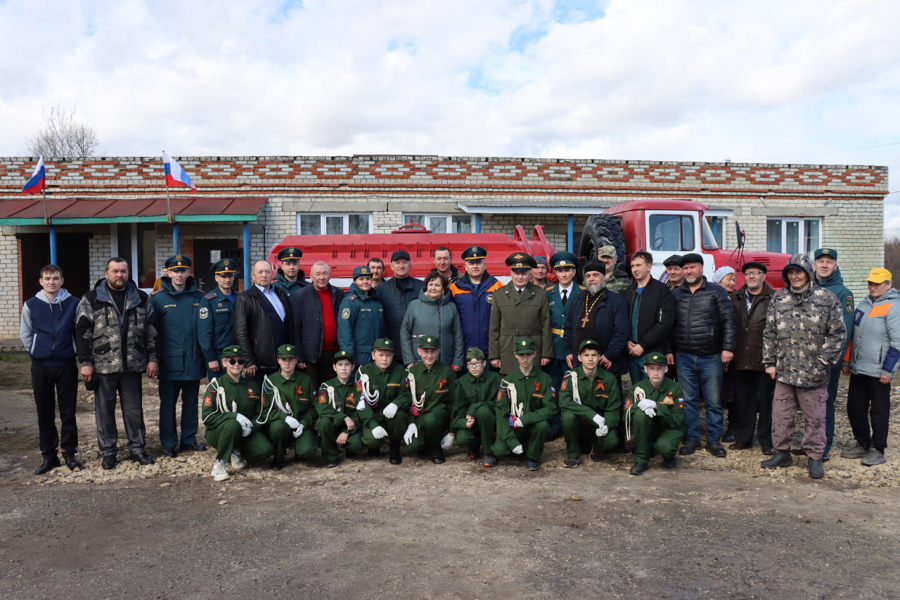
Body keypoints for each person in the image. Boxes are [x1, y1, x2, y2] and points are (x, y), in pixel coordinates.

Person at [761, 254, 845, 479]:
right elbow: (770, 332)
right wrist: (769, 362)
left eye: (798, 272)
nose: (794, 276)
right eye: (790, 272)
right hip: (785, 372)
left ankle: (815, 457)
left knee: (815, 419)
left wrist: (823, 361)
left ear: (808, 273)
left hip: (814, 374)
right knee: (780, 416)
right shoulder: (779, 298)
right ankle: (781, 452)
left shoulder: (826, 298)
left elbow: (837, 334)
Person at [75, 257, 157, 469]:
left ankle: (137, 449)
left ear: (128, 273)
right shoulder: (92, 298)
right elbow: (82, 332)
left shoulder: (140, 298)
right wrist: (85, 362)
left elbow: (152, 331)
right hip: (103, 366)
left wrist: (153, 358)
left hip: (133, 364)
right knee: (104, 411)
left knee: (134, 411)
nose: (119, 275)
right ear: (106, 273)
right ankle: (109, 452)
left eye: (123, 271)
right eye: (115, 271)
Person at [671, 253, 735, 458]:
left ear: (701, 268)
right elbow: (669, 325)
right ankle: (691, 439)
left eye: (693, 267)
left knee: (713, 401)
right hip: (684, 356)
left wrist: (728, 348)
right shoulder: (676, 294)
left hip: (712, 356)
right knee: (688, 400)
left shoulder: (716, 291)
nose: (689, 271)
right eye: (686, 268)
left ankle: (714, 441)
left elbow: (729, 321)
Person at [20, 264, 82, 474]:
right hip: (41, 366)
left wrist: (72, 350)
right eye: (47, 278)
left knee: (68, 412)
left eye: (55, 278)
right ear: (41, 281)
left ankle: (70, 453)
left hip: (65, 364)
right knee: (44, 412)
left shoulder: (74, 303)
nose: (51, 282)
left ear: (62, 280)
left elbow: (79, 332)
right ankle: (49, 456)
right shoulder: (31, 304)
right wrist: (38, 350)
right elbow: (26, 333)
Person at [841, 268, 900, 466]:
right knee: (854, 407)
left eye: (877, 283)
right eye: (870, 283)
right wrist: (848, 360)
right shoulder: (864, 303)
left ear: (888, 284)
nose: (872, 287)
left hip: (879, 370)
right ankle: (863, 443)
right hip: (859, 367)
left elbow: (897, 342)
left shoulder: (894, 306)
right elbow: (853, 335)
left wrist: (888, 370)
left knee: (879, 411)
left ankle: (878, 448)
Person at [150, 254, 206, 458]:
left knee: (191, 403)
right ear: (168, 272)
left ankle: (189, 439)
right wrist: (153, 359)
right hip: (169, 362)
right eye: (175, 270)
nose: (179, 275)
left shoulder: (200, 297)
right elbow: (152, 333)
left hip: (193, 360)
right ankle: (169, 443)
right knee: (167, 405)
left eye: (183, 270)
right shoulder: (158, 299)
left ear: (189, 272)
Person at [201, 345, 273, 481]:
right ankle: (220, 463)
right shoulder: (216, 385)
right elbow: (207, 417)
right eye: (232, 361)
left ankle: (237, 453)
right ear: (224, 363)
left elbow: (261, 413)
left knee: (265, 450)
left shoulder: (251, 386)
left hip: (245, 433)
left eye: (240, 361)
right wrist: (234, 416)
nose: (236, 365)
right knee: (233, 425)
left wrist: (251, 427)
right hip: (219, 432)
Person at [486, 338, 555, 470]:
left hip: (533, 425)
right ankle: (520, 448)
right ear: (515, 355)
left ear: (534, 354)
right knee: (499, 451)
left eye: (528, 354)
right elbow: (501, 413)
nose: (525, 359)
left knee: (543, 426)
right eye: (521, 355)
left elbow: (550, 408)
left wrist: (526, 419)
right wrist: (512, 441)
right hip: (515, 429)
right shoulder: (507, 381)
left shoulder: (544, 379)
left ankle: (533, 457)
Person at [728, 261, 775, 454]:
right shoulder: (734, 297)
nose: (752, 276)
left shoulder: (774, 298)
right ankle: (743, 438)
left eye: (756, 273)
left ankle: (766, 440)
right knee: (743, 401)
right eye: (748, 273)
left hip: (764, 359)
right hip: (740, 358)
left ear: (764, 276)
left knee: (766, 403)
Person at [814, 248, 855, 461]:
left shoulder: (843, 293)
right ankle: (811, 444)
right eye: (820, 261)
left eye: (829, 262)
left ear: (835, 266)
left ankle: (823, 447)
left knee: (825, 403)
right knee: (809, 405)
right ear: (814, 265)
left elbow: (845, 331)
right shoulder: (808, 288)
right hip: (806, 360)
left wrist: (831, 360)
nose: (824, 265)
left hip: (828, 361)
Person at [558, 340, 621, 468]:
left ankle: (597, 448)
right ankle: (573, 454)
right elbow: (563, 402)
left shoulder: (609, 378)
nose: (590, 359)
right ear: (580, 358)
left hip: (599, 425)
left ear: (599, 357)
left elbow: (614, 409)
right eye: (586, 355)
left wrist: (606, 425)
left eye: (594, 355)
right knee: (567, 417)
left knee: (612, 440)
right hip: (579, 424)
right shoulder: (571, 376)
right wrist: (590, 414)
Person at [489, 252, 552, 374]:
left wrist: (546, 354)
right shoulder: (499, 294)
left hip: (532, 349)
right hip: (508, 349)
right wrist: (494, 355)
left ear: (530, 274)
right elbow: (494, 329)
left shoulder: (540, 294)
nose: (520, 277)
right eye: (516, 273)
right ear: (510, 273)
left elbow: (546, 326)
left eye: (523, 273)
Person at [563, 261, 628, 381]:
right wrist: (568, 352)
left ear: (604, 277)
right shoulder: (578, 298)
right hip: (580, 362)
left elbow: (621, 332)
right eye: (588, 276)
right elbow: (568, 328)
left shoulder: (616, 300)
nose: (591, 279)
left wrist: (609, 355)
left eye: (595, 275)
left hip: (605, 362)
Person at [625, 352, 687, 475]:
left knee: (664, 447)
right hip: (650, 428)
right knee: (639, 414)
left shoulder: (675, 388)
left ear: (666, 369)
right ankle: (641, 460)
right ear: (645, 369)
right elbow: (626, 413)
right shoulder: (638, 389)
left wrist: (656, 406)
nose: (655, 373)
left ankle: (668, 456)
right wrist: (638, 406)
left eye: (659, 369)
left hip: (669, 428)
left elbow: (677, 419)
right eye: (652, 369)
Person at [233, 260, 293, 387]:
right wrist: (248, 361)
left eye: (267, 272)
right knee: (259, 402)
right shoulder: (245, 298)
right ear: (253, 276)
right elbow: (240, 332)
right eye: (260, 272)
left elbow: (290, 326)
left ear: (272, 274)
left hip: (283, 361)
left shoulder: (281, 294)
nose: (264, 275)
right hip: (260, 364)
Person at [258, 344, 318, 469]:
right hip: (281, 425)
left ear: (296, 360)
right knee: (278, 427)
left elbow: (313, 407)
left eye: (290, 360)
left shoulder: (305, 380)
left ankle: (299, 451)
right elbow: (265, 410)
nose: (287, 363)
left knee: (308, 452)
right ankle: (278, 457)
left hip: (301, 425)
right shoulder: (270, 381)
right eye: (284, 360)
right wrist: (284, 418)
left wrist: (303, 424)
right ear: (278, 360)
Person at [353, 338, 411, 464]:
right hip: (373, 415)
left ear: (393, 356)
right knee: (371, 440)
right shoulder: (363, 373)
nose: (384, 359)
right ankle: (374, 446)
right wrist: (373, 425)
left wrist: (396, 404)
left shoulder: (400, 371)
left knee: (400, 415)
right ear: (373, 355)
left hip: (393, 415)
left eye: (388, 355)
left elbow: (407, 395)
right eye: (381, 355)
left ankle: (395, 448)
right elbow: (360, 403)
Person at [620, 251, 674, 386]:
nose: (635, 269)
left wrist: (643, 345)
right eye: (632, 266)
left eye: (639, 265)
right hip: (632, 352)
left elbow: (664, 324)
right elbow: (622, 320)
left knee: (654, 393)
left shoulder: (661, 290)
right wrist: (627, 341)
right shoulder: (628, 292)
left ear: (649, 267)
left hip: (652, 352)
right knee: (638, 392)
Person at [291, 260, 345, 388]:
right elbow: (295, 328)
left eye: (325, 273)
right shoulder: (300, 296)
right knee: (312, 390)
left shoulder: (338, 294)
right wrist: (299, 356)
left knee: (330, 390)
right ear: (311, 276)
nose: (321, 277)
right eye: (318, 274)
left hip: (333, 353)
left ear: (330, 275)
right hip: (310, 355)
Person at [402, 335, 455, 463]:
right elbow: (406, 399)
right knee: (414, 446)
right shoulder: (412, 372)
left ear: (438, 351)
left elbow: (454, 402)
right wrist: (411, 422)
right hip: (419, 415)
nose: (429, 356)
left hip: (440, 414)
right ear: (419, 351)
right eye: (425, 352)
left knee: (431, 419)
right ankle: (425, 444)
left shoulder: (447, 372)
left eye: (433, 352)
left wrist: (452, 432)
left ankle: (436, 449)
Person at [446, 347, 502, 464]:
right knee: (462, 438)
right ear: (466, 366)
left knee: (483, 411)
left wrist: (474, 408)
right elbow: (457, 408)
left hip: (490, 423)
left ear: (484, 363)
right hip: (472, 424)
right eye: (470, 364)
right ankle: (474, 446)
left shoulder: (495, 379)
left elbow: (500, 404)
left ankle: (488, 452)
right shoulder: (462, 382)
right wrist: (462, 424)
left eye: (477, 363)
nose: (474, 367)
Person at [400, 272, 464, 370]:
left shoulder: (451, 307)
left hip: (445, 363)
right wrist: (409, 360)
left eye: (437, 285)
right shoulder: (414, 305)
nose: (433, 288)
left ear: (443, 288)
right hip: (419, 363)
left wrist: (458, 361)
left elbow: (458, 335)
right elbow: (405, 333)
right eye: (430, 284)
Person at [449, 245, 503, 357]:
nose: (475, 266)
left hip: (490, 350)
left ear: (484, 265)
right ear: (465, 266)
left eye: (478, 262)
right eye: (471, 263)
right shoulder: (455, 288)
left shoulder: (497, 286)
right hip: (463, 350)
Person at [316, 350, 364, 468]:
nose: (343, 368)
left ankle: (349, 449)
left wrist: (346, 432)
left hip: (350, 426)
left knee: (356, 444)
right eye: (340, 365)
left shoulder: (357, 388)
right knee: (323, 422)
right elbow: (322, 408)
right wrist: (343, 417)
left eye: (347, 365)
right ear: (334, 367)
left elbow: (360, 411)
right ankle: (331, 456)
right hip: (332, 424)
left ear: (352, 367)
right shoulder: (326, 386)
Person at [198, 258, 239, 382]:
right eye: (223, 276)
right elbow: (204, 333)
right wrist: (210, 358)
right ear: (216, 278)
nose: (227, 280)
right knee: (219, 394)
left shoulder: (240, 298)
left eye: (230, 276)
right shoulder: (208, 300)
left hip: (237, 355)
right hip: (218, 356)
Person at [545, 252, 582, 389]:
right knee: (553, 385)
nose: (564, 274)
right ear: (555, 273)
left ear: (574, 272)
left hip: (574, 347)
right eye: (560, 271)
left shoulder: (582, 292)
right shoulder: (548, 293)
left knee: (572, 385)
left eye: (567, 270)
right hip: (553, 348)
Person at [377, 250, 424, 355]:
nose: (401, 266)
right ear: (391, 266)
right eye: (397, 262)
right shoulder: (381, 290)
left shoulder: (422, 287)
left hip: (416, 346)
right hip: (390, 346)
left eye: (405, 262)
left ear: (410, 265)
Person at [337, 265, 385, 366]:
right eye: (361, 279)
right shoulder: (349, 302)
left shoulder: (377, 301)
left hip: (377, 354)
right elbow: (345, 332)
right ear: (354, 281)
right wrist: (348, 357)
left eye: (368, 278)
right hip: (359, 355)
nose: (365, 282)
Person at [712, 264, 738, 442]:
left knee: (731, 394)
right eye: (728, 278)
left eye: (733, 279)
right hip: (714, 353)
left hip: (731, 353)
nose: (732, 282)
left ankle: (733, 427)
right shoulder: (711, 297)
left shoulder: (736, 299)